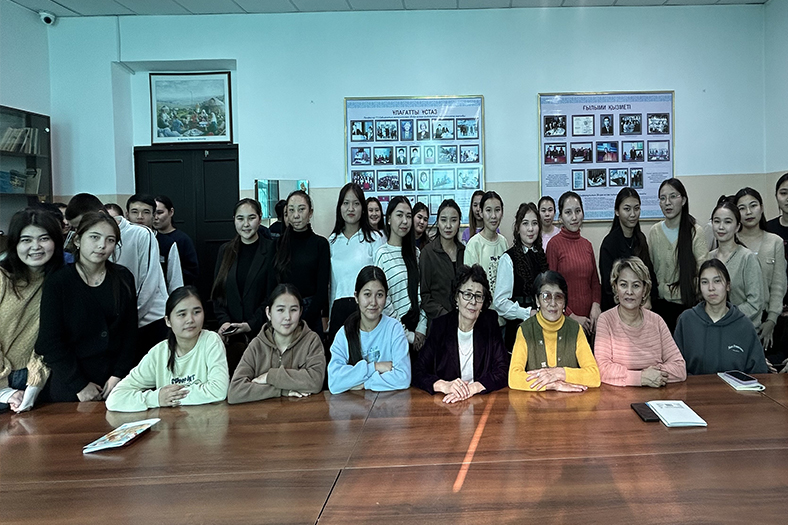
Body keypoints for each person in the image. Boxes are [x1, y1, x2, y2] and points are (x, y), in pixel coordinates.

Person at [36, 212, 138, 402]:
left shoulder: (123, 277)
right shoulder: (59, 281)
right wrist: (79, 384)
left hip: (115, 381)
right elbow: (49, 342)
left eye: (110, 240)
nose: (102, 245)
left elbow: (130, 332)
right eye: (94, 237)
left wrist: (119, 374)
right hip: (71, 383)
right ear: (77, 240)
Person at [65, 193, 169, 362]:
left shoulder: (140, 234)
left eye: (81, 224)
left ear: (100, 213)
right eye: (75, 228)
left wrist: (128, 320)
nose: (79, 230)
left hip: (148, 320)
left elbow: (148, 284)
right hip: (115, 325)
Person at [106, 287, 229, 412]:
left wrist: (171, 398)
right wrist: (157, 398)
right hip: (170, 422)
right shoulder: (159, 353)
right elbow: (114, 399)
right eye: (182, 314)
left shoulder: (211, 341)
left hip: (208, 420)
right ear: (168, 321)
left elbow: (218, 391)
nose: (190, 320)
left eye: (197, 312)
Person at [414, 264, 508, 402]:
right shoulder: (440, 326)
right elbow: (418, 370)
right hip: (446, 402)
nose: (473, 302)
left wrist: (475, 387)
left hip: (479, 400)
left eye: (478, 296)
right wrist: (444, 385)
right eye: (467, 294)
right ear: (456, 297)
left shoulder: (490, 323)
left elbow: (503, 369)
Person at [0, 209, 63, 412]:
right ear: (15, 244)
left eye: (44, 239)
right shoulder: (2, 277)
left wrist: (34, 385)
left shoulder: (61, 282)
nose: (36, 247)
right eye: (26, 240)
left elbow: (50, 339)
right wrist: (4, 390)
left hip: (36, 382)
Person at [594, 257, 687, 387]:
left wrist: (653, 375)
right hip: (617, 396)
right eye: (623, 285)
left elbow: (680, 369)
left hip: (656, 393)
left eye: (636, 285)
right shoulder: (606, 320)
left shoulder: (657, 321)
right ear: (615, 288)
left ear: (644, 290)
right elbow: (601, 369)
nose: (629, 292)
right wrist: (641, 377)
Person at [228, 284, 325, 403]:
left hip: (302, 412)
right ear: (268, 313)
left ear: (300, 312)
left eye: (293, 310)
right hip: (265, 413)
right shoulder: (257, 345)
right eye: (280, 310)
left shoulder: (311, 340)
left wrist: (269, 376)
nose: (287, 317)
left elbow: (316, 382)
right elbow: (235, 392)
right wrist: (281, 390)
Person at [212, 198, 277, 375]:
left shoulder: (272, 249)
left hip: (262, 333)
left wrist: (250, 324)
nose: (246, 224)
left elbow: (272, 296)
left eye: (251, 218)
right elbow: (218, 293)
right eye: (240, 219)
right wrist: (225, 322)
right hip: (231, 338)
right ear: (234, 219)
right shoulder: (225, 250)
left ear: (260, 218)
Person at [508, 271, 601, 392]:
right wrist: (554, 385)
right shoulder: (525, 330)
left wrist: (560, 373)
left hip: (571, 400)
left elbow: (594, 376)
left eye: (559, 297)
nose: (553, 303)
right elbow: (514, 377)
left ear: (564, 302)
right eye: (546, 296)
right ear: (537, 301)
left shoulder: (575, 329)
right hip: (535, 401)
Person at [674, 259, 769, 375]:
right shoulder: (687, 320)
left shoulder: (744, 325)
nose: (711, 288)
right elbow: (675, 366)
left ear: (728, 286)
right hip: (693, 386)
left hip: (735, 387)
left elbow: (758, 372)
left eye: (717, 281)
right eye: (704, 282)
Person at [327, 266, 411, 394]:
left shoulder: (394, 328)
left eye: (379, 295)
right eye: (367, 294)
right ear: (356, 297)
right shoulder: (344, 333)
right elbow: (334, 382)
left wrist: (363, 383)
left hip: (390, 403)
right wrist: (374, 367)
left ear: (386, 297)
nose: (373, 302)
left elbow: (403, 378)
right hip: (355, 404)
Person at [648, 178, 708, 332]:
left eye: (673, 196)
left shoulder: (695, 232)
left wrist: (674, 291)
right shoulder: (655, 232)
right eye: (663, 198)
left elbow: (703, 275)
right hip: (659, 307)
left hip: (687, 306)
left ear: (683, 200)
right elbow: (651, 271)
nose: (667, 202)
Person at [329, 184, 386, 341]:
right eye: (346, 203)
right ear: (339, 207)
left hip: (367, 309)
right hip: (339, 311)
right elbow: (333, 286)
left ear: (363, 208)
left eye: (356, 203)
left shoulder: (375, 239)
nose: (351, 208)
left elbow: (381, 281)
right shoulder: (332, 241)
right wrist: (329, 317)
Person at [272, 190, 330, 339]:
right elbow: (271, 284)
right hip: (282, 313)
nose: (296, 215)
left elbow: (322, 290)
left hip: (311, 313)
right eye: (291, 210)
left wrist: (302, 321)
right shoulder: (277, 244)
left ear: (310, 213)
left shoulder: (320, 244)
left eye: (301, 209)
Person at [373, 196, 428, 349]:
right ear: (389, 219)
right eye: (399, 215)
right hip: (394, 332)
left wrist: (422, 328)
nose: (405, 221)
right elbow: (384, 300)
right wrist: (407, 335)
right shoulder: (382, 254)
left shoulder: (416, 253)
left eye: (408, 216)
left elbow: (424, 291)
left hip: (419, 330)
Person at [494, 202, 549, 352]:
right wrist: (527, 313)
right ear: (518, 228)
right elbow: (500, 303)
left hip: (543, 331)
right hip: (518, 331)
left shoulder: (541, 256)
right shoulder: (508, 258)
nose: (530, 229)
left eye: (534, 223)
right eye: (525, 223)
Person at [545, 191, 601, 334]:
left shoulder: (587, 245)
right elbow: (551, 288)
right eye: (568, 212)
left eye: (578, 211)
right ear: (560, 217)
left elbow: (595, 282)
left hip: (589, 322)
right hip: (563, 321)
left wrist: (596, 305)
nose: (574, 217)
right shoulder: (554, 245)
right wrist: (571, 316)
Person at [708, 197, 764, 328]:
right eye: (717, 221)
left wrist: (724, 316)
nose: (721, 227)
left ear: (737, 226)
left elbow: (755, 303)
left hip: (741, 329)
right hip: (713, 328)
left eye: (727, 222)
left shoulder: (747, 258)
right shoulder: (708, 258)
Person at [599, 188, 657, 311]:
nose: (633, 214)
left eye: (636, 208)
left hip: (642, 307)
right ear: (617, 211)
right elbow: (608, 286)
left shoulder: (641, 239)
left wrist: (648, 299)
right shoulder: (609, 243)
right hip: (616, 309)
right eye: (627, 209)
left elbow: (649, 275)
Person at [128, 193, 184, 294]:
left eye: (146, 212)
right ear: (127, 215)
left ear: (154, 216)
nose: (140, 217)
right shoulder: (120, 241)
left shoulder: (167, 243)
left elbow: (175, 282)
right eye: (134, 212)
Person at [420, 199, 466, 323]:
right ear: (438, 222)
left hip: (464, 321)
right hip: (438, 322)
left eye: (454, 220)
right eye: (443, 220)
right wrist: (445, 315)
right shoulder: (428, 253)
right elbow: (425, 295)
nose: (448, 225)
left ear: (459, 223)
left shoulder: (464, 251)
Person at [464, 191, 508, 303]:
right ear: (481, 212)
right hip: (481, 307)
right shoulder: (474, 244)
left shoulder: (503, 242)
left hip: (503, 307)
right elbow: (470, 284)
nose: (493, 216)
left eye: (497, 210)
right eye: (488, 210)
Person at [766, 173, 788, 366]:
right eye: (783, 193)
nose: (787, 198)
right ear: (776, 196)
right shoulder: (768, 229)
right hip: (772, 313)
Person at [154, 195, 200, 287]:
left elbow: (192, 271)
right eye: (152, 213)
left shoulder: (182, 240)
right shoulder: (150, 238)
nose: (155, 217)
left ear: (171, 212)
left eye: (160, 212)